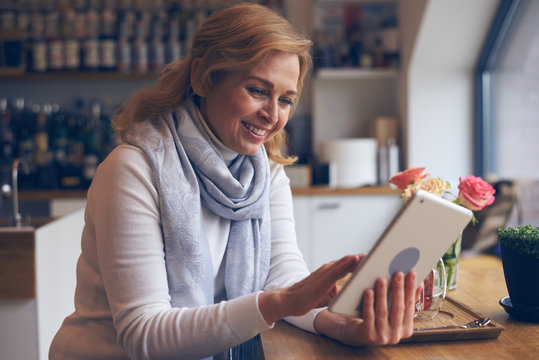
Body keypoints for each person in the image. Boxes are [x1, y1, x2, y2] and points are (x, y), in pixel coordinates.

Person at [49, 4, 418, 359]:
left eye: (286, 100)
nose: (273, 116)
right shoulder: (133, 169)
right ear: (202, 78)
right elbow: (144, 335)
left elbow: (283, 278)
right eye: (258, 90)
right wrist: (278, 304)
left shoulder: (265, 174)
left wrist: (341, 326)